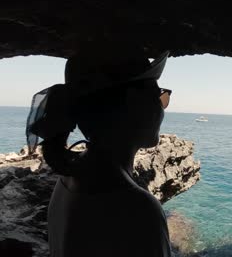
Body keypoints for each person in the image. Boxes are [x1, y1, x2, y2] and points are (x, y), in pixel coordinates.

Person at [26, 41, 173, 257]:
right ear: (133, 103)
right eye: (160, 96)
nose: (163, 107)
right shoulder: (138, 209)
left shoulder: (68, 181)